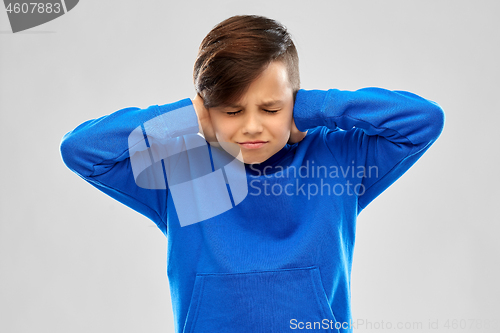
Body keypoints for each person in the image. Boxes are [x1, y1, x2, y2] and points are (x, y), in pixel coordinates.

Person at [60, 14, 445, 333]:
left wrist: (314, 106)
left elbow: (424, 120)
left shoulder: (338, 157)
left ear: (292, 104)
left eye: (271, 109)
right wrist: (184, 117)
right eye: (232, 111)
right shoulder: (180, 171)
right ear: (207, 112)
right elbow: (81, 150)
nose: (252, 126)